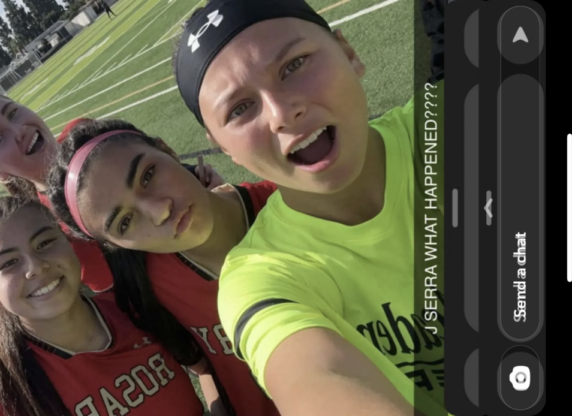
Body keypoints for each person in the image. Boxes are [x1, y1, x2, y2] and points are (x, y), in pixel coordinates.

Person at [172, 0, 446, 415]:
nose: (282, 113)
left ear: (349, 53)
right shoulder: (260, 279)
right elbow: (311, 381)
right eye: (241, 108)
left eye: (294, 65)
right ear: (223, 147)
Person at [46, 118, 279, 415]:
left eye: (147, 175)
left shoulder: (290, 203)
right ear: (116, 246)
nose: (158, 211)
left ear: (166, 150)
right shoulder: (149, 289)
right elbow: (203, 364)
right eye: (125, 222)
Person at [0, 96, 224, 293]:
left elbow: (158, 168)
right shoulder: (35, 226)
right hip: (176, 303)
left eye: (13, 113)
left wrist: (206, 188)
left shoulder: (86, 133)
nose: (18, 130)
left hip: (211, 251)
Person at [0, 196, 208, 416]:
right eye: (9, 263)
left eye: (45, 243)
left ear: (70, 244)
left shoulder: (133, 306)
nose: (36, 267)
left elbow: (206, 366)